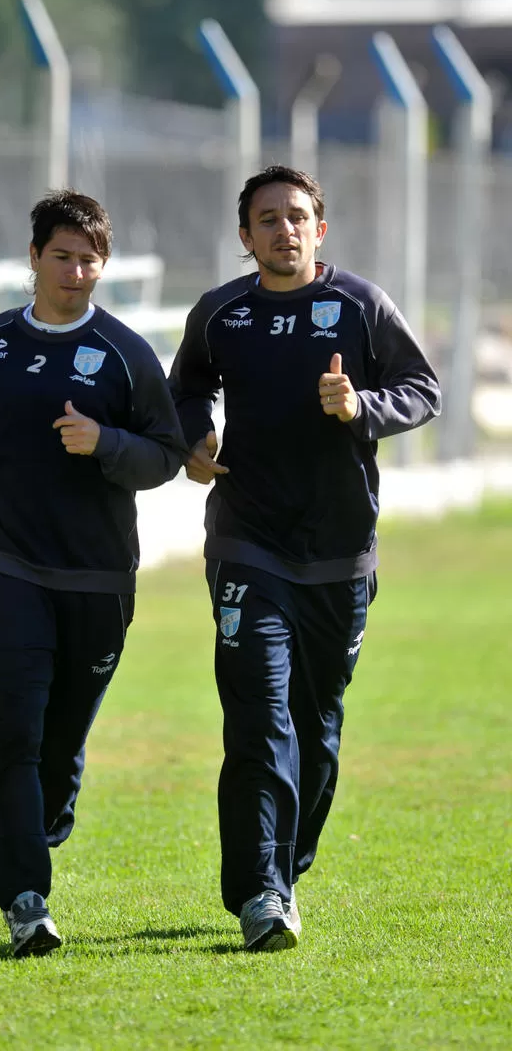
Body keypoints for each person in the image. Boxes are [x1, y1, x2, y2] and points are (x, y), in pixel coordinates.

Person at [168, 164, 441, 953]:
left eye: (297, 216)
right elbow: (185, 389)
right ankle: (261, 891)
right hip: (248, 545)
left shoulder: (360, 305)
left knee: (317, 727)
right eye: (267, 218)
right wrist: (197, 434)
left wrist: (362, 408)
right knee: (258, 717)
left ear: (319, 230)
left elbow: (421, 387)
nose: (283, 229)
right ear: (244, 235)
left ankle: (286, 866)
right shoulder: (220, 313)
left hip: (340, 553)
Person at [0, 190, 186, 957]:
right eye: (62, 256)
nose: (76, 272)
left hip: (96, 578)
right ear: (34, 258)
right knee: (10, 731)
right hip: (1, 563)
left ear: (104, 265)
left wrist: (105, 441)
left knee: (58, 739)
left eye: (89, 260)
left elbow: (165, 455)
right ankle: (25, 900)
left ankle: (45, 810)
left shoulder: (124, 354)